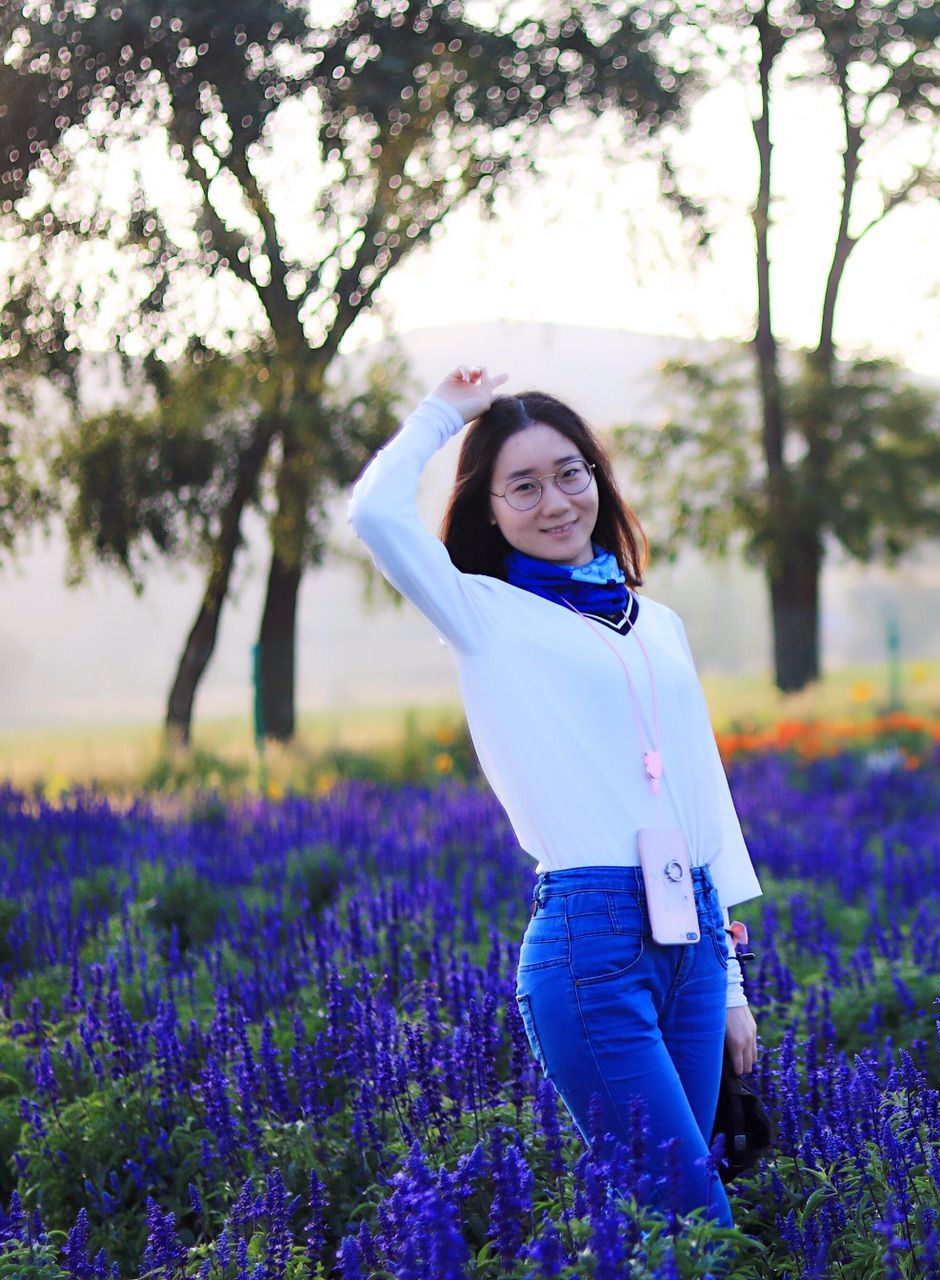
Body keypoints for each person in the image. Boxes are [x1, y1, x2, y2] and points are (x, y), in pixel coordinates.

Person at [347, 364, 761, 1240]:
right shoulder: (482, 613)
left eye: (570, 473)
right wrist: (439, 416)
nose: (555, 501)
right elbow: (376, 514)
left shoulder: (658, 623)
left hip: (691, 931)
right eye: (522, 485)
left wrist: (729, 982)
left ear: (598, 480)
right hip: (592, 945)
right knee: (698, 1223)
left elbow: (701, 790)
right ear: (488, 508)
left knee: (662, 1235)